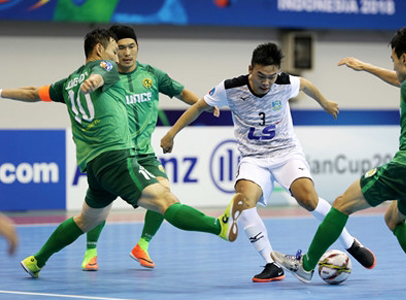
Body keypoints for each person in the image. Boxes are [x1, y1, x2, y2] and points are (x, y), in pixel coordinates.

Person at [0, 28, 242, 278]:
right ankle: (218, 227)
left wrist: (1, 92)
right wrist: (96, 80)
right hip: (116, 156)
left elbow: (31, 92)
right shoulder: (106, 67)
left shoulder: (66, 83)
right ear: (99, 50)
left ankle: (36, 261)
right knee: (165, 200)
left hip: (94, 164)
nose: (118, 57)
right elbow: (102, 72)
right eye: (115, 51)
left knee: (85, 220)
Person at [160, 42, 376, 282]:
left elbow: (306, 85)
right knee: (243, 200)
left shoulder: (284, 83)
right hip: (253, 158)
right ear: (250, 68)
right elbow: (199, 107)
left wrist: (324, 102)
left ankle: (351, 243)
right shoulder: (230, 88)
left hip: (286, 153)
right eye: (261, 76)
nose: (266, 82)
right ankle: (272, 264)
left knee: (308, 199)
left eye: (271, 77)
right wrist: (171, 134)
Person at [271, 27, 406, 288]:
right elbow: (400, 80)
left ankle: (306, 265)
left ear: (404, 59)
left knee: (342, 204)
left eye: (393, 59)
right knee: (393, 219)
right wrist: (366, 67)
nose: (393, 64)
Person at [81, 24, 219, 271]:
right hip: (115, 152)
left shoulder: (152, 75)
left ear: (137, 47)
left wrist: (205, 103)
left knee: (164, 191)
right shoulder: (106, 76)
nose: (126, 52)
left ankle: (142, 245)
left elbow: (181, 92)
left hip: (144, 153)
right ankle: (91, 249)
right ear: (112, 50)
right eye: (120, 48)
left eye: (130, 47)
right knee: (102, 206)